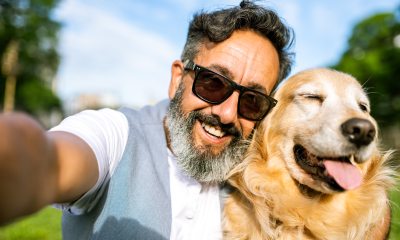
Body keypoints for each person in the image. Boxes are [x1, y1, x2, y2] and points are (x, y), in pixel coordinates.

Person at [0, 1, 391, 239]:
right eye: (212, 83)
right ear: (178, 77)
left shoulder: (250, 172)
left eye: (252, 100)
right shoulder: (116, 135)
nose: (225, 113)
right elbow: (49, 159)